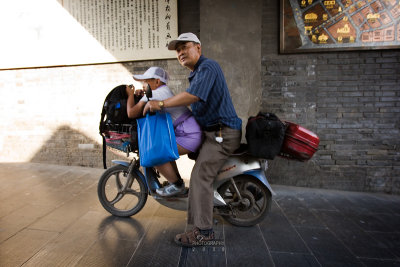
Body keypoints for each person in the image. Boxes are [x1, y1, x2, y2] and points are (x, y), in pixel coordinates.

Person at [143, 33, 242, 247]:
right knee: (193, 168)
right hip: (212, 133)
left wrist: (160, 105)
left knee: (199, 177)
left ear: (198, 47)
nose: (180, 52)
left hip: (222, 134)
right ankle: (195, 222)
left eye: (185, 47)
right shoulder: (197, 73)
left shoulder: (208, 67)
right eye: (177, 50)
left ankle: (204, 232)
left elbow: (192, 97)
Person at [126, 66, 203, 197]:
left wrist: (130, 95)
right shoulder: (162, 90)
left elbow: (131, 113)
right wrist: (144, 94)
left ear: (157, 82)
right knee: (164, 152)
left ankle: (177, 185)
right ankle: (177, 183)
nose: (144, 85)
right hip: (190, 131)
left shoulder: (156, 93)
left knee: (154, 153)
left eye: (147, 81)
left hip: (189, 135)